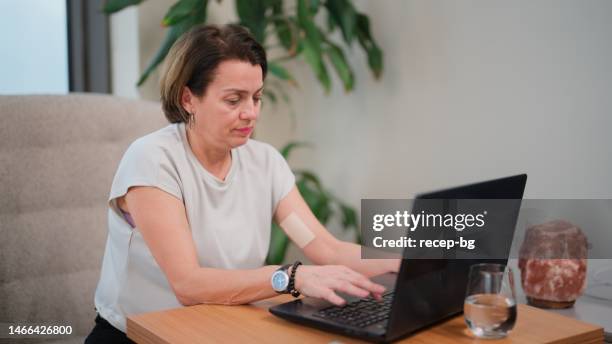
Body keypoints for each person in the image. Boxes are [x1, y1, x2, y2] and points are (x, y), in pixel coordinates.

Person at [85, 24, 399, 343]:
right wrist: (290, 277)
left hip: (222, 328)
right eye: (234, 100)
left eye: (257, 97)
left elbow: (326, 248)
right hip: (139, 336)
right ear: (188, 98)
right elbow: (188, 284)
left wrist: (414, 263)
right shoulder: (153, 160)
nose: (250, 113)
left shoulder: (264, 164)